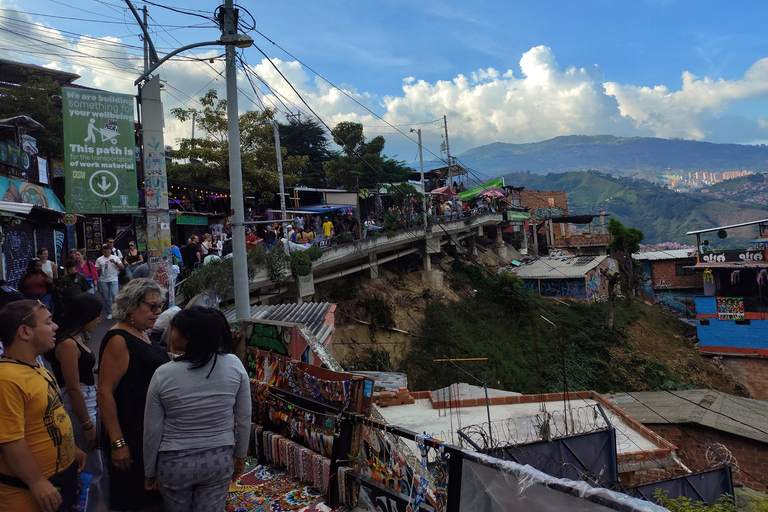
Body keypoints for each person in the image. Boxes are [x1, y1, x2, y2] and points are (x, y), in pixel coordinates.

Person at [144, 306, 251, 512]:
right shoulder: (234, 365)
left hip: (174, 463)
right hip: (218, 460)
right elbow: (244, 417)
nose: (170, 334)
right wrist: (240, 454)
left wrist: (150, 470)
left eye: (173, 329)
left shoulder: (163, 374)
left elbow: (152, 429)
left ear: (187, 337)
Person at [0, 300, 86, 511]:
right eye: (48, 322)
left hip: (57, 486)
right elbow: (10, 440)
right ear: (25, 332)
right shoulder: (6, 379)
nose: (55, 326)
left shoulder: (36, 367)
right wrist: (36, 481)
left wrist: (71, 448)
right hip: (28, 496)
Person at [97, 279, 168, 512]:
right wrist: (118, 443)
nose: (158, 312)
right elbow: (105, 393)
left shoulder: (142, 333)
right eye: (152, 306)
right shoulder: (119, 339)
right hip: (131, 434)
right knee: (138, 499)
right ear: (131, 306)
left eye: (160, 306)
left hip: (147, 431)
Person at [46, 293, 107, 512]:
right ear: (84, 316)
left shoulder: (76, 337)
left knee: (95, 466)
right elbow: (72, 388)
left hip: (87, 402)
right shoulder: (68, 344)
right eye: (97, 316)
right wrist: (87, 425)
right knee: (89, 469)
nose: (100, 320)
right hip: (79, 409)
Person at [96, 246, 124, 320]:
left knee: (115, 295)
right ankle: (109, 312)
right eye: (105, 252)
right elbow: (96, 269)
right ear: (102, 252)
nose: (107, 254)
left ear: (110, 251)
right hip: (103, 279)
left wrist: (115, 262)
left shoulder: (115, 257)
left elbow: (122, 267)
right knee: (106, 297)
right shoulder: (99, 259)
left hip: (113, 278)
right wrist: (99, 269)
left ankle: (116, 311)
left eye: (108, 252)